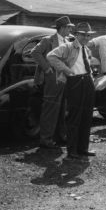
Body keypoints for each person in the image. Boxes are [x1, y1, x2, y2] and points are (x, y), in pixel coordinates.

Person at [47, 22, 97, 162]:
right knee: (74, 117)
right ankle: (72, 150)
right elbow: (51, 56)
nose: (86, 38)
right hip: (75, 82)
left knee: (87, 117)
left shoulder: (86, 49)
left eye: (88, 35)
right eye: (83, 35)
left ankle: (83, 149)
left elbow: (87, 65)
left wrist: (92, 79)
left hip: (87, 82)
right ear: (76, 35)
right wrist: (66, 70)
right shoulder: (68, 47)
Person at [31, 15, 74, 149]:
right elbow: (35, 53)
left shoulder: (68, 41)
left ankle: (61, 137)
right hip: (52, 79)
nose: (70, 30)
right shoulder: (48, 40)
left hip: (64, 78)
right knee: (50, 108)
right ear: (62, 28)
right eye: (68, 27)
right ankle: (45, 139)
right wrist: (47, 68)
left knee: (62, 108)